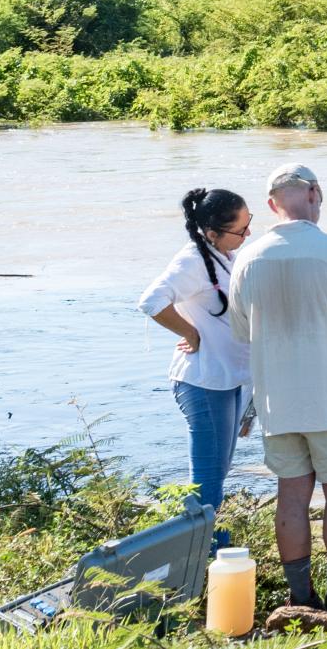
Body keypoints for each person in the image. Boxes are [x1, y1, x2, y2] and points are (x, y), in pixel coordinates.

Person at [229, 163, 327, 615]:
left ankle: (300, 598)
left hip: (277, 403)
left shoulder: (248, 259)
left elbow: (242, 333)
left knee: (291, 499)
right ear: (314, 193)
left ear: (272, 204)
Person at [136, 187, 253, 552]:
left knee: (217, 475)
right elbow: (151, 301)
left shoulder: (225, 254)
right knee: (206, 484)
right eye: (240, 229)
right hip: (203, 384)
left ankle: (207, 551)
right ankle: (201, 557)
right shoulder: (191, 261)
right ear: (212, 232)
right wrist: (189, 331)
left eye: (250, 225)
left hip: (229, 381)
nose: (247, 235)